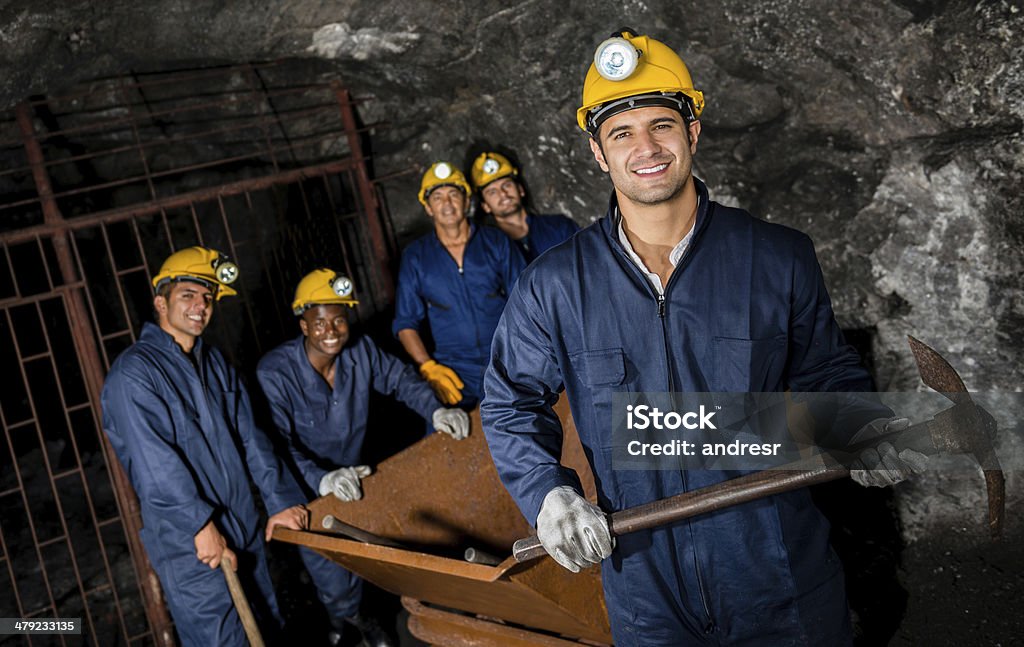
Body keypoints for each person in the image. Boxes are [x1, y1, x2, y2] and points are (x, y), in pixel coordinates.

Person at [481, 30, 926, 646]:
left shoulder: (777, 258)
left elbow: (828, 375)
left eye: (661, 125)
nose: (645, 148)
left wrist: (860, 427)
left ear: (692, 130)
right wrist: (548, 494)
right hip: (644, 587)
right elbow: (511, 402)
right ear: (596, 151)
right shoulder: (554, 285)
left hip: (780, 574)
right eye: (621, 133)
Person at [101, 246, 309, 647]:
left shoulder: (212, 362)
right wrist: (199, 526)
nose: (200, 306)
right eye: (188, 296)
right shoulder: (134, 374)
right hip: (191, 543)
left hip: (242, 525)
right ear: (160, 302)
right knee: (222, 638)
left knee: (265, 625)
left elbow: (251, 437)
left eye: (207, 298)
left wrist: (280, 499)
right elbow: (154, 465)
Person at [256, 269, 470, 647]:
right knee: (328, 565)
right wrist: (321, 479)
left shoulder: (361, 352)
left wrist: (434, 411)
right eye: (320, 322)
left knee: (364, 548)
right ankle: (345, 619)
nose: (331, 330)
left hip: (355, 475)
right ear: (303, 324)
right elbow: (276, 443)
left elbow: (400, 379)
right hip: (306, 485)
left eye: (339, 319)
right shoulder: (275, 372)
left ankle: (359, 613)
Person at [392, 161, 525, 409]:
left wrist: (524, 355)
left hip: (505, 360)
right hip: (453, 369)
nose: (447, 204)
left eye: (454, 194)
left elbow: (527, 302)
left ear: (466, 202)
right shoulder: (416, 257)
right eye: (438, 197)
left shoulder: (496, 242)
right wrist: (428, 367)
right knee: (444, 438)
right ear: (428, 208)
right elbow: (405, 323)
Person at [470, 151, 579, 263]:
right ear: (485, 206)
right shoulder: (487, 250)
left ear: (520, 190)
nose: (503, 193)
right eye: (492, 192)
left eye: (507, 185)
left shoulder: (559, 227)